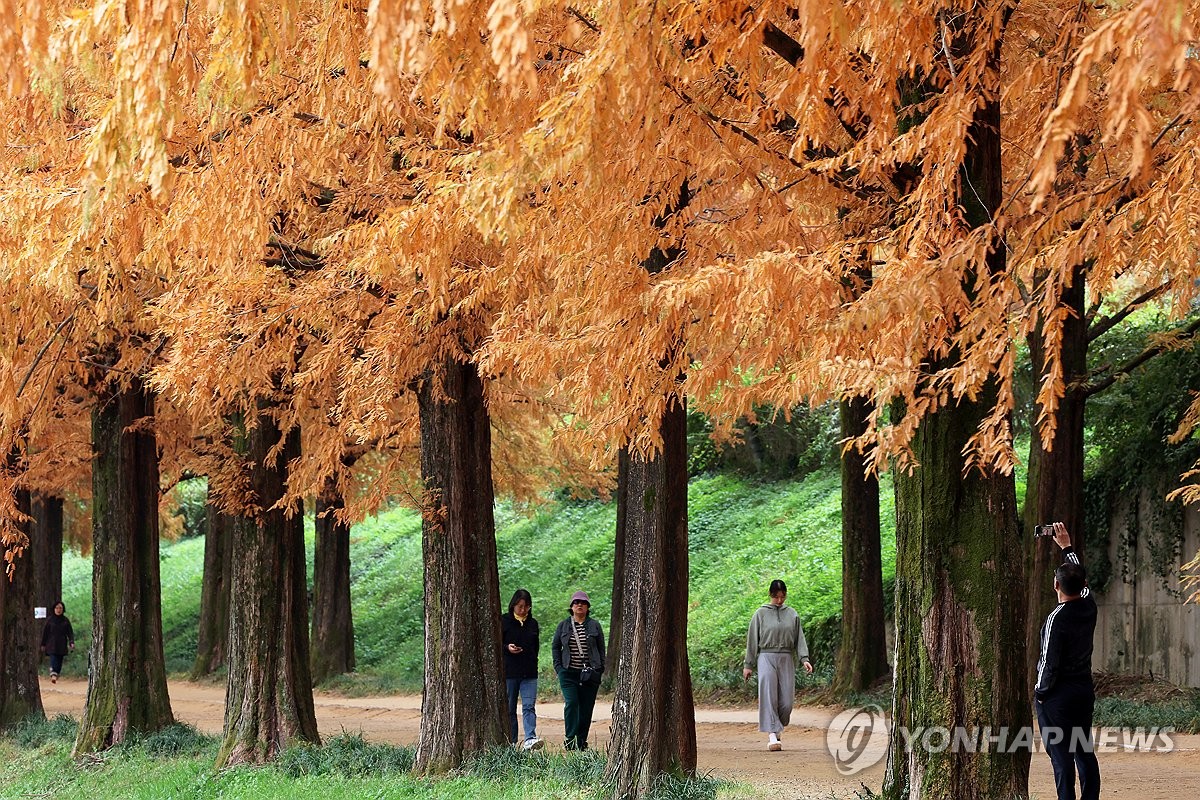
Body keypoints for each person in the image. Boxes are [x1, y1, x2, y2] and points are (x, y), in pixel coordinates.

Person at [1035, 521, 1100, 800]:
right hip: (1083, 690)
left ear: (1055, 585)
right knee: (1084, 752)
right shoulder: (1088, 606)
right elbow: (1082, 582)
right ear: (1083, 585)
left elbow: (1049, 661)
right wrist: (1067, 549)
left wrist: (1040, 693)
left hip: (1058, 696)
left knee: (1062, 759)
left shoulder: (1055, 619)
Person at [742, 579, 812, 751]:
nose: (779, 600)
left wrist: (804, 658)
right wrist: (748, 664)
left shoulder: (792, 614)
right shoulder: (760, 614)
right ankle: (772, 734)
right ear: (770, 595)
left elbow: (799, 639)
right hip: (766, 656)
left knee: (786, 701)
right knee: (768, 695)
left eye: (782, 597)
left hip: (786, 657)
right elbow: (752, 640)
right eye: (776, 597)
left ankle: (778, 725)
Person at [552, 590, 605, 751]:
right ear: (571, 606)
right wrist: (559, 668)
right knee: (572, 703)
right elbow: (555, 647)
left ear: (588, 607)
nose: (579, 605)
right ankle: (570, 738)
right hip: (568, 673)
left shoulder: (594, 625)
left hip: (590, 674)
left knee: (586, 707)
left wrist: (600, 668)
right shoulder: (564, 625)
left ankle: (581, 741)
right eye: (576, 602)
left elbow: (601, 648)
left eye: (583, 603)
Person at [501, 588, 544, 751]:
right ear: (513, 605)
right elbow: (498, 644)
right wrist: (508, 648)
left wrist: (533, 660)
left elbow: (536, 647)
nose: (523, 609)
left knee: (528, 705)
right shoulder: (504, 621)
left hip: (529, 672)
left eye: (526, 606)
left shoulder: (532, 624)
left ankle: (530, 738)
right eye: (520, 606)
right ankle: (511, 741)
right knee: (510, 707)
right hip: (510, 671)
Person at [40, 600, 75, 684]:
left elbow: (70, 632)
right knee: (53, 658)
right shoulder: (50, 620)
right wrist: (43, 644)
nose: (58, 610)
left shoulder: (65, 620)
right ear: (54, 609)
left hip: (62, 643)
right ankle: (53, 674)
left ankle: (55, 673)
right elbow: (45, 633)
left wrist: (71, 642)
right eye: (57, 608)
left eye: (60, 608)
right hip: (51, 643)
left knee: (59, 660)